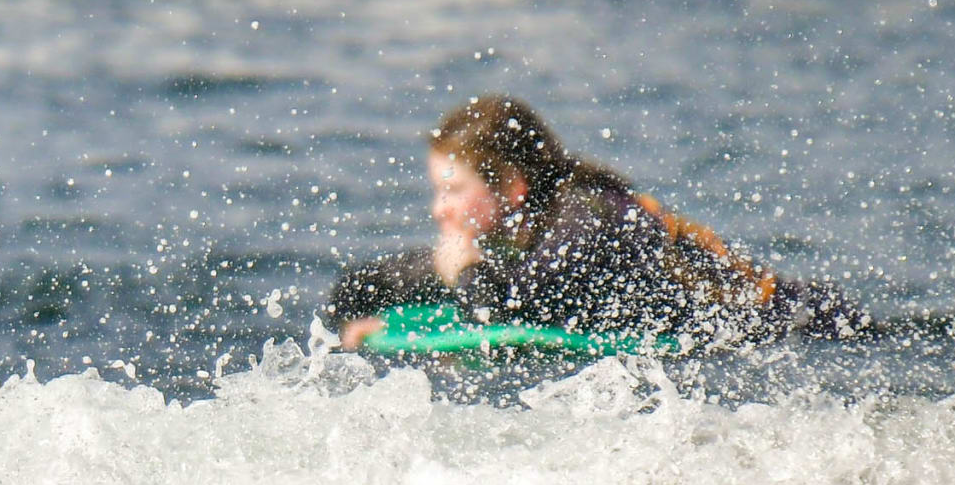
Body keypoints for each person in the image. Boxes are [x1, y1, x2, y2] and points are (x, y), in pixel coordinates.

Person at [325, 96, 860, 349]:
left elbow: (516, 305)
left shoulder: (590, 220)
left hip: (801, 328)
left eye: (453, 190)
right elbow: (362, 286)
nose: (438, 210)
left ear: (512, 185)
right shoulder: (512, 234)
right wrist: (355, 313)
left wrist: (461, 273)